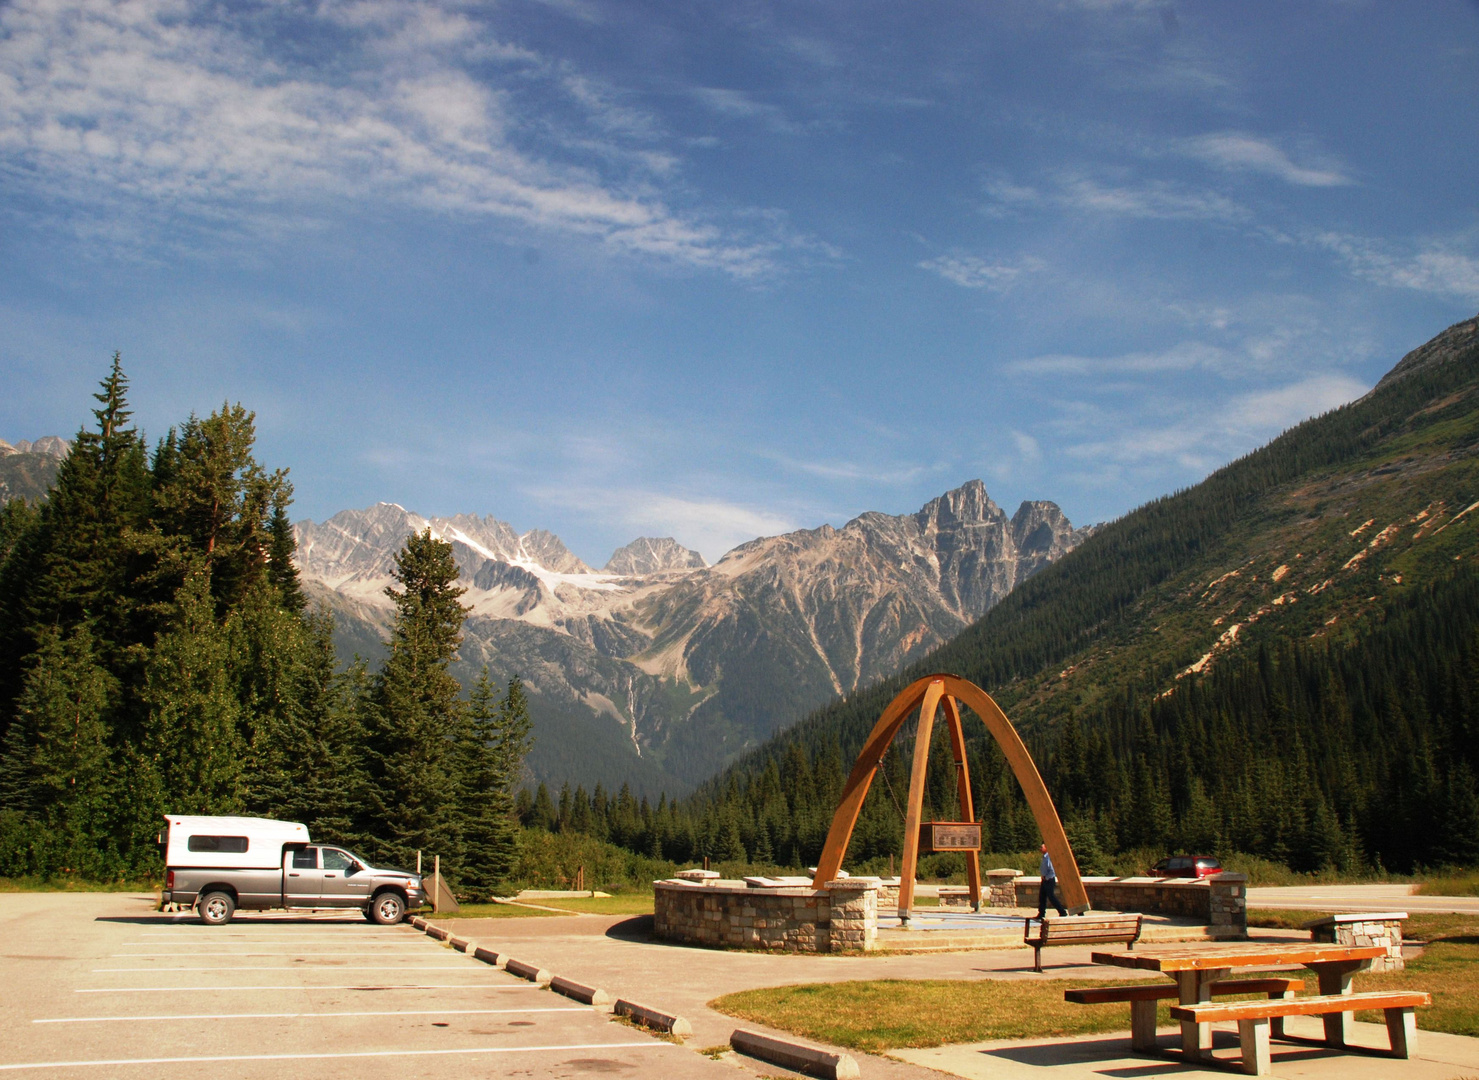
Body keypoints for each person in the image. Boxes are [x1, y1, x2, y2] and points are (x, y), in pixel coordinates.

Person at [1036, 842, 1067, 919]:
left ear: (1047, 848)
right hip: (1045, 879)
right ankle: (1041, 913)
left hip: (1049, 879)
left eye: (1042, 847)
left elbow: (1052, 869)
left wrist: (1047, 877)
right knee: (1042, 897)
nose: (1040, 848)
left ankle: (1062, 912)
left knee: (1051, 896)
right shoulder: (1044, 857)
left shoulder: (1049, 857)